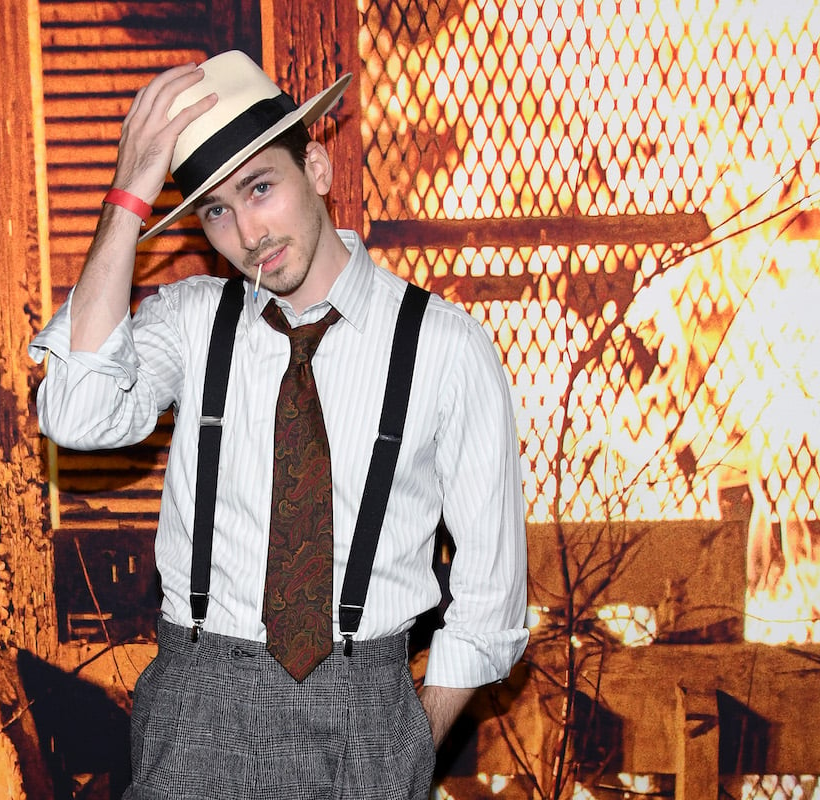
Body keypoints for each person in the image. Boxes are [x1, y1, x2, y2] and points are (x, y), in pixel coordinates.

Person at [28, 50, 528, 800]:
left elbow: (494, 597)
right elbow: (76, 411)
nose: (248, 231)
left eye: (261, 188)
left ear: (318, 171)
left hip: (368, 712)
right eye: (217, 210)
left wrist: (407, 741)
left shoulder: (444, 346)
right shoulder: (192, 320)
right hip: (198, 711)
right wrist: (129, 194)